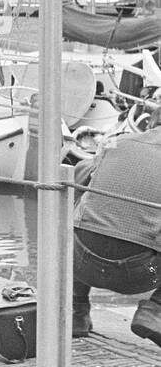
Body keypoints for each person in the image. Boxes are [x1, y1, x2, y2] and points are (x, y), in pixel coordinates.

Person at [70, 127, 161, 346]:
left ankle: (77, 311)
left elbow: (78, 174)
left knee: (82, 210)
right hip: (142, 274)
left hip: (82, 261)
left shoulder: (118, 143)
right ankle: (155, 309)